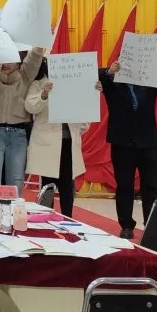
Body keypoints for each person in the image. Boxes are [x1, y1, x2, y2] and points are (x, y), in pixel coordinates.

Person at [100, 59, 157, 239]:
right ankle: (126, 225)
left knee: (151, 187)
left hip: (148, 142)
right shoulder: (112, 83)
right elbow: (100, 76)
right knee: (124, 185)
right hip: (122, 143)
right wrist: (110, 72)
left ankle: (151, 224)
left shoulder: (148, 81)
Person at [25, 61, 101, 217]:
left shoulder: (75, 84)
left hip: (69, 142)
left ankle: (68, 217)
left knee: (67, 182)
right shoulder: (39, 84)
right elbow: (30, 107)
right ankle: (45, 217)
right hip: (47, 142)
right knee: (48, 182)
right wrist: (44, 94)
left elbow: (84, 112)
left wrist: (93, 92)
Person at [0, 48, 44, 196]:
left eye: (10, 59)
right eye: (3, 59)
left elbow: (33, 59)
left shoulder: (25, 76)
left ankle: (14, 210)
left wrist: (39, 46)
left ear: (18, 60)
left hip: (18, 134)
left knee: (16, 181)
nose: (5, 64)